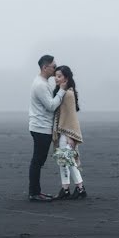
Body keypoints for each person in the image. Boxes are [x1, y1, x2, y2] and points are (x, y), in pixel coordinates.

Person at [28, 55, 67, 202]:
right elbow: (51, 106)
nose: (55, 68)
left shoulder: (42, 82)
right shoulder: (40, 85)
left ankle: (36, 192)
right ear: (45, 68)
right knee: (37, 161)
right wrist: (62, 90)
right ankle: (34, 193)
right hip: (40, 128)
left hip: (41, 127)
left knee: (38, 160)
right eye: (53, 66)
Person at [51, 65, 87, 200]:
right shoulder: (61, 92)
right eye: (56, 75)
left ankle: (80, 187)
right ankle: (65, 189)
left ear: (66, 78)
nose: (56, 78)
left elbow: (71, 117)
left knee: (68, 160)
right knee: (63, 161)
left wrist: (71, 136)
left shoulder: (69, 94)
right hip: (60, 133)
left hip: (66, 134)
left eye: (59, 76)